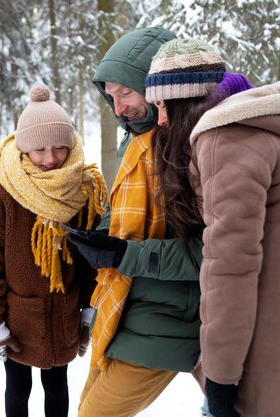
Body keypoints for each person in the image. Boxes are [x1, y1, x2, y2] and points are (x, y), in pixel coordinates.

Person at [145, 37, 280, 417]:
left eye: (162, 105)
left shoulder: (226, 137)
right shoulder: (279, 125)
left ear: (185, 100)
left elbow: (231, 268)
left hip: (269, 355)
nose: (160, 120)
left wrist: (222, 379)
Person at [65, 27, 205, 417]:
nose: (118, 107)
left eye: (125, 92)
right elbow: (128, 213)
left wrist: (125, 253)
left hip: (170, 317)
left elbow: (212, 251)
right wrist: (102, 237)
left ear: (158, 86)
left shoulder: (188, 146)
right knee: (87, 406)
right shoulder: (136, 143)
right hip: (127, 305)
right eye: (111, 96)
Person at [0, 84, 108, 417]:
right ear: (24, 147)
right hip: (18, 321)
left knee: (58, 386)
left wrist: (87, 312)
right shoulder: (1, 197)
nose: (51, 159)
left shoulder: (81, 190)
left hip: (64, 315)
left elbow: (92, 262)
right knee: (18, 388)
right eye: (40, 149)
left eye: (60, 147)